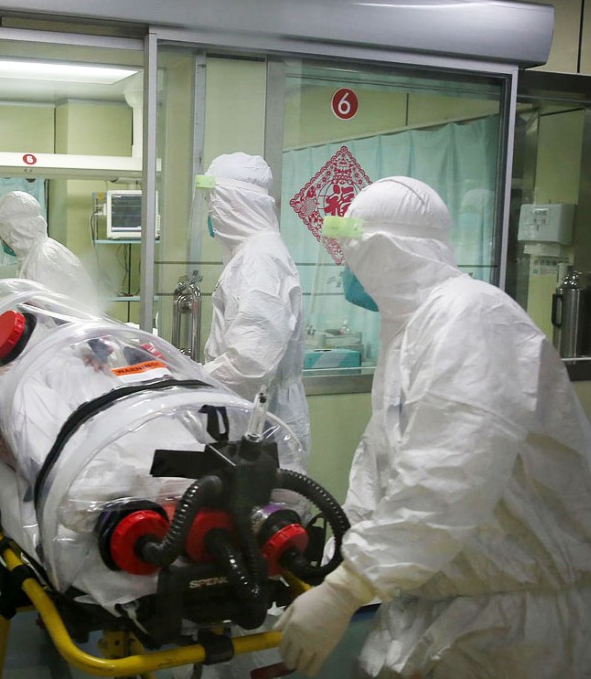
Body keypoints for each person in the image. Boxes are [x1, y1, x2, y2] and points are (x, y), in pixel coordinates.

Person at [276, 176, 591, 678]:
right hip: (442, 602)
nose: (345, 267)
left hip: (509, 620)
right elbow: (386, 465)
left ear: (380, 248)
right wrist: (343, 558)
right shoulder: (413, 326)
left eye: (349, 249)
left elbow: (448, 477)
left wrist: (345, 589)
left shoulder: (472, 317)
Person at [201, 153, 310, 470]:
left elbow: (249, 364)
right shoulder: (254, 254)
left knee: (264, 512)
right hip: (254, 422)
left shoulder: (259, 260)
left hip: (263, 432)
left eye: (213, 201)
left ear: (233, 203)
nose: (211, 211)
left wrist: (188, 380)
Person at [0, 190, 99, 311]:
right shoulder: (37, 253)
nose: (1, 238)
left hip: (72, 327)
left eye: (1, 232)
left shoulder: (42, 258)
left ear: (13, 230)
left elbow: (47, 314)